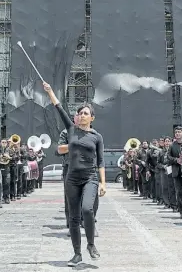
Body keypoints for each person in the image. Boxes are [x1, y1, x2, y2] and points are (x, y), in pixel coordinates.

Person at [43, 82, 106, 267]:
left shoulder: (97, 136)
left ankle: (91, 245)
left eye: (86, 113)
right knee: (73, 217)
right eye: (80, 113)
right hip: (71, 178)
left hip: (90, 178)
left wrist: (103, 183)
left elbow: (101, 161)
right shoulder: (71, 130)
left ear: (92, 117)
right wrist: (50, 91)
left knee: (87, 209)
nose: (82, 115)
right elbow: (58, 107)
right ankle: (77, 254)